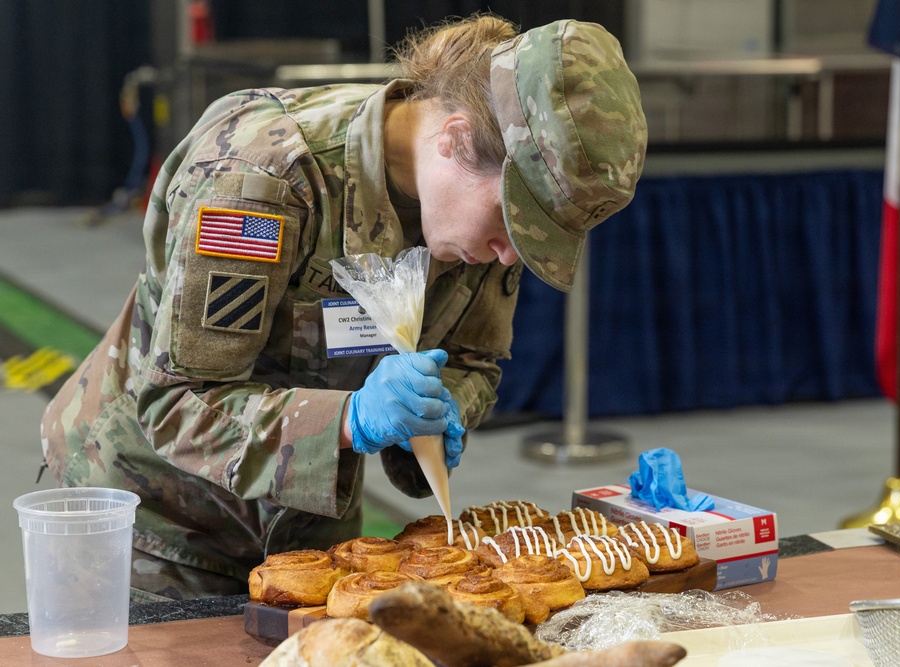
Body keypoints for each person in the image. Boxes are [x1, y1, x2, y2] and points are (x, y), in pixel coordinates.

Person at [40, 14, 647, 602]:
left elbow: (472, 360)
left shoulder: (477, 226)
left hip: (311, 533)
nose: (510, 255)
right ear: (456, 139)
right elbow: (177, 401)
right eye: (512, 221)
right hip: (156, 525)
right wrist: (352, 421)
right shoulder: (264, 177)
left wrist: (442, 409)